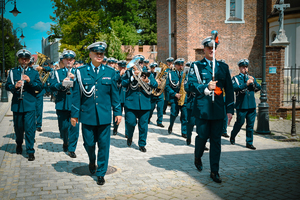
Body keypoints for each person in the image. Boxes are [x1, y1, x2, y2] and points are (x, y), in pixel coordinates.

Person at [71, 41, 122, 186]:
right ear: (90, 54)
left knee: (104, 145)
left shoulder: (110, 72)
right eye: (96, 53)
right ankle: (92, 159)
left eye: (101, 53)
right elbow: (76, 95)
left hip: (104, 116)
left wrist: (118, 112)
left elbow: (115, 95)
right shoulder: (80, 72)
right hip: (87, 115)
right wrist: (74, 115)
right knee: (89, 143)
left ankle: (101, 173)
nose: (99, 56)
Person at [185, 34, 234, 183]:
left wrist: (230, 110)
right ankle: (198, 155)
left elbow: (230, 90)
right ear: (204, 49)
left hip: (218, 111)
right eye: (209, 47)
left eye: (214, 47)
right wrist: (205, 87)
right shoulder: (196, 66)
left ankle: (214, 171)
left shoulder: (223, 67)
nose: (212, 50)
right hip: (202, 110)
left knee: (216, 141)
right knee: (202, 137)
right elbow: (188, 86)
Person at [6, 49, 43, 161]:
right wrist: (15, 87)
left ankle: (30, 150)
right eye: (22, 59)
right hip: (17, 104)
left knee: (30, 128)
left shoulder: (34, 72)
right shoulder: (13, 72)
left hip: (30, 104)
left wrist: (30, 81)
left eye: (26, 59)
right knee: (18, 128)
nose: (24, 61)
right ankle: (18, 143)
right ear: (19, 60)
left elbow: (39, 87)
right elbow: (7, 86)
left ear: (28, 60)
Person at [122, 55, 158, 153]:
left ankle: (142, 144)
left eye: (141, 62)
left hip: (145, 103)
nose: (139, 64)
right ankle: (129, 136)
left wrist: (148, 81)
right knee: (130, 123)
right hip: (131, 103)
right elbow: (123, 83)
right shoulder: (128, 72)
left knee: (143, 126)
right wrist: (133, 78)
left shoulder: (147, 73)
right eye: (137, 62)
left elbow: (155, 85)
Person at [50, 50, 79, 158]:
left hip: (75, 103)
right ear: (63, 60)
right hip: (62, 103)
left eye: (71, 59)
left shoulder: (78, 72)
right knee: (63, 128)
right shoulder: (57, 72)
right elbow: (51, 86)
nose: (69, 61)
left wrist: (75, 79)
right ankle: (65, 141)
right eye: (66, 59)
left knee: (74, 128)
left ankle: (72, 149)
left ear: (73, 61)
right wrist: (61, 84)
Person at [230, 59, 261, 150]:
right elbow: (235, 88)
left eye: (246, 67)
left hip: (251, 105)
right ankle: (233, 135)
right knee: (240, 123)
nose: (245, 69)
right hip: (241, 105)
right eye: (243, 67)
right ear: (239, 68)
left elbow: (258, 88)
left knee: (250, 125)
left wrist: (254, 82)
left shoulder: (251, 77)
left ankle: (249, 142)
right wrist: (246, 84)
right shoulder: (235, 78)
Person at [165, 58, 188, 138]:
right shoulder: (171, 74)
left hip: (184, 98)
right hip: (175, 98)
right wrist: (174, 94)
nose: (181, 67)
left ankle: (184, 132)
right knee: (174, 114)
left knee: (185, 116)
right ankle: (171, 125)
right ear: (175, 65)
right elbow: (167, 86)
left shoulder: (186, 74)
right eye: (179, 65)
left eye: (182, 65)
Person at [113, 60, 127, 135]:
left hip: (127, 98)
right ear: (118, 67)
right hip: (118, 97)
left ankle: (127, 132)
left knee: (127, 117)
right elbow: (114, 81)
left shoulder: (128, 74)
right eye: (121, 67)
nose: (122, 69)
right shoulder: (115, 74)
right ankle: (115, 128)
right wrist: (120, 75)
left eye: (124, 67)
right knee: (116, 114)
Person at [148, 62, 164, 127]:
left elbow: (165, 81)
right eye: (153, 68)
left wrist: (161, 82)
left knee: (160, 108)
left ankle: (159, 122)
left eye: (155, 68)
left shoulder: (161, 74)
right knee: (151, 108)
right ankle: (148, 118)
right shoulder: (149, 75)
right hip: (152, 94)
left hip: (160, 93)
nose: (154, 69)